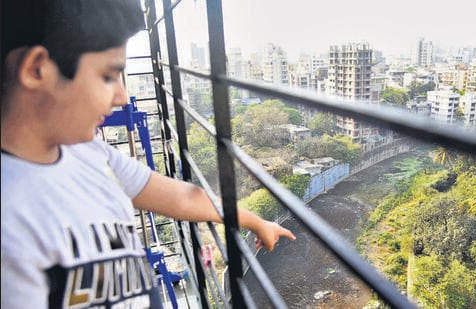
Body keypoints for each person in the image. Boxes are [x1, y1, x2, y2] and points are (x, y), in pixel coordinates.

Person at [0, 0, 296, 308]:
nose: (122, 96)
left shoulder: (87, 152)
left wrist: (254, 220)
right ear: (36, 69)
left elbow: (183, 198)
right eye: (107, 76)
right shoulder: (10, 219)